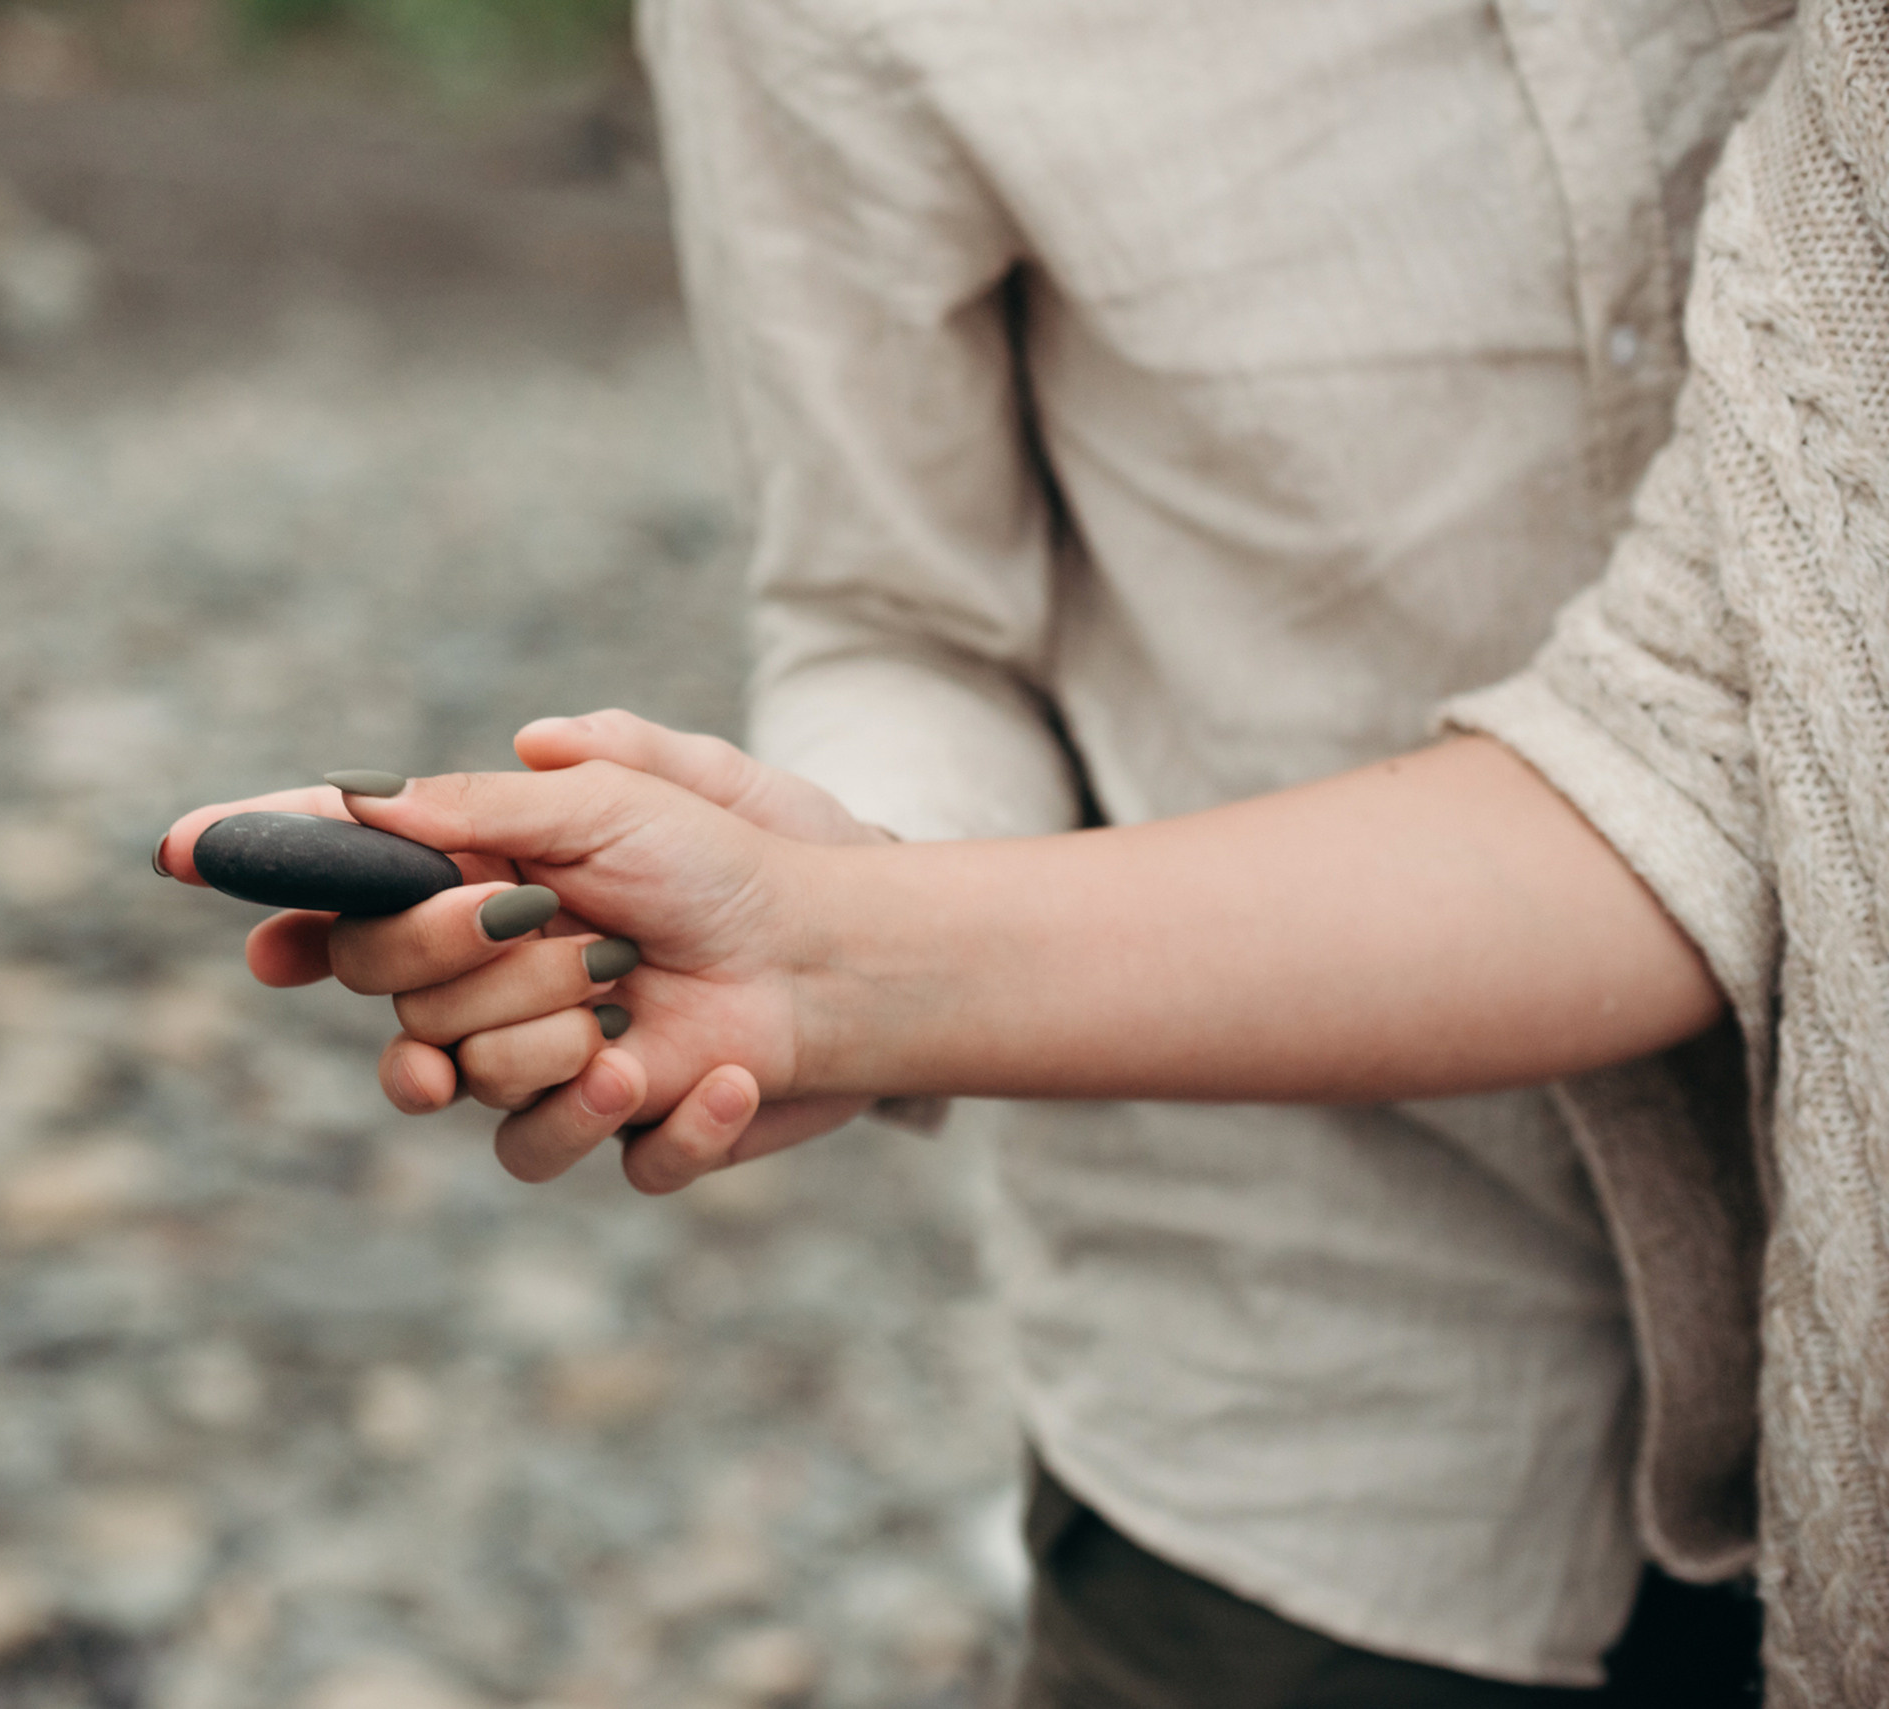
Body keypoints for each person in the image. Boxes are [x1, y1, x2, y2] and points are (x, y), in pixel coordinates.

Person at [158, 0, 1828, 1701]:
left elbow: (1703, 753)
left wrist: (853, 959)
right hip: (1324, 1379)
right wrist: (855, 894)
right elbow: (895, 608)